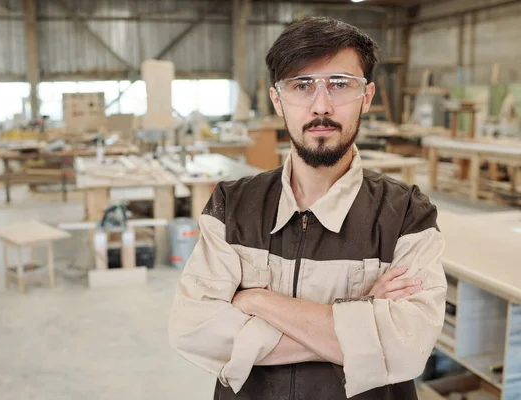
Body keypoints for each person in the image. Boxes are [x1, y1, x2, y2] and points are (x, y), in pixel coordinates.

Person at [168, 16, 446, 400]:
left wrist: (257, 300)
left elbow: (407, 346)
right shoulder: (231, 206)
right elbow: (193, 329)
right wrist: (364, 319)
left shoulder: (406, 214)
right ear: (277, 100)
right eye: (302, 85)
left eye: (340, 84)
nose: (321, 105)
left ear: (366, 97)